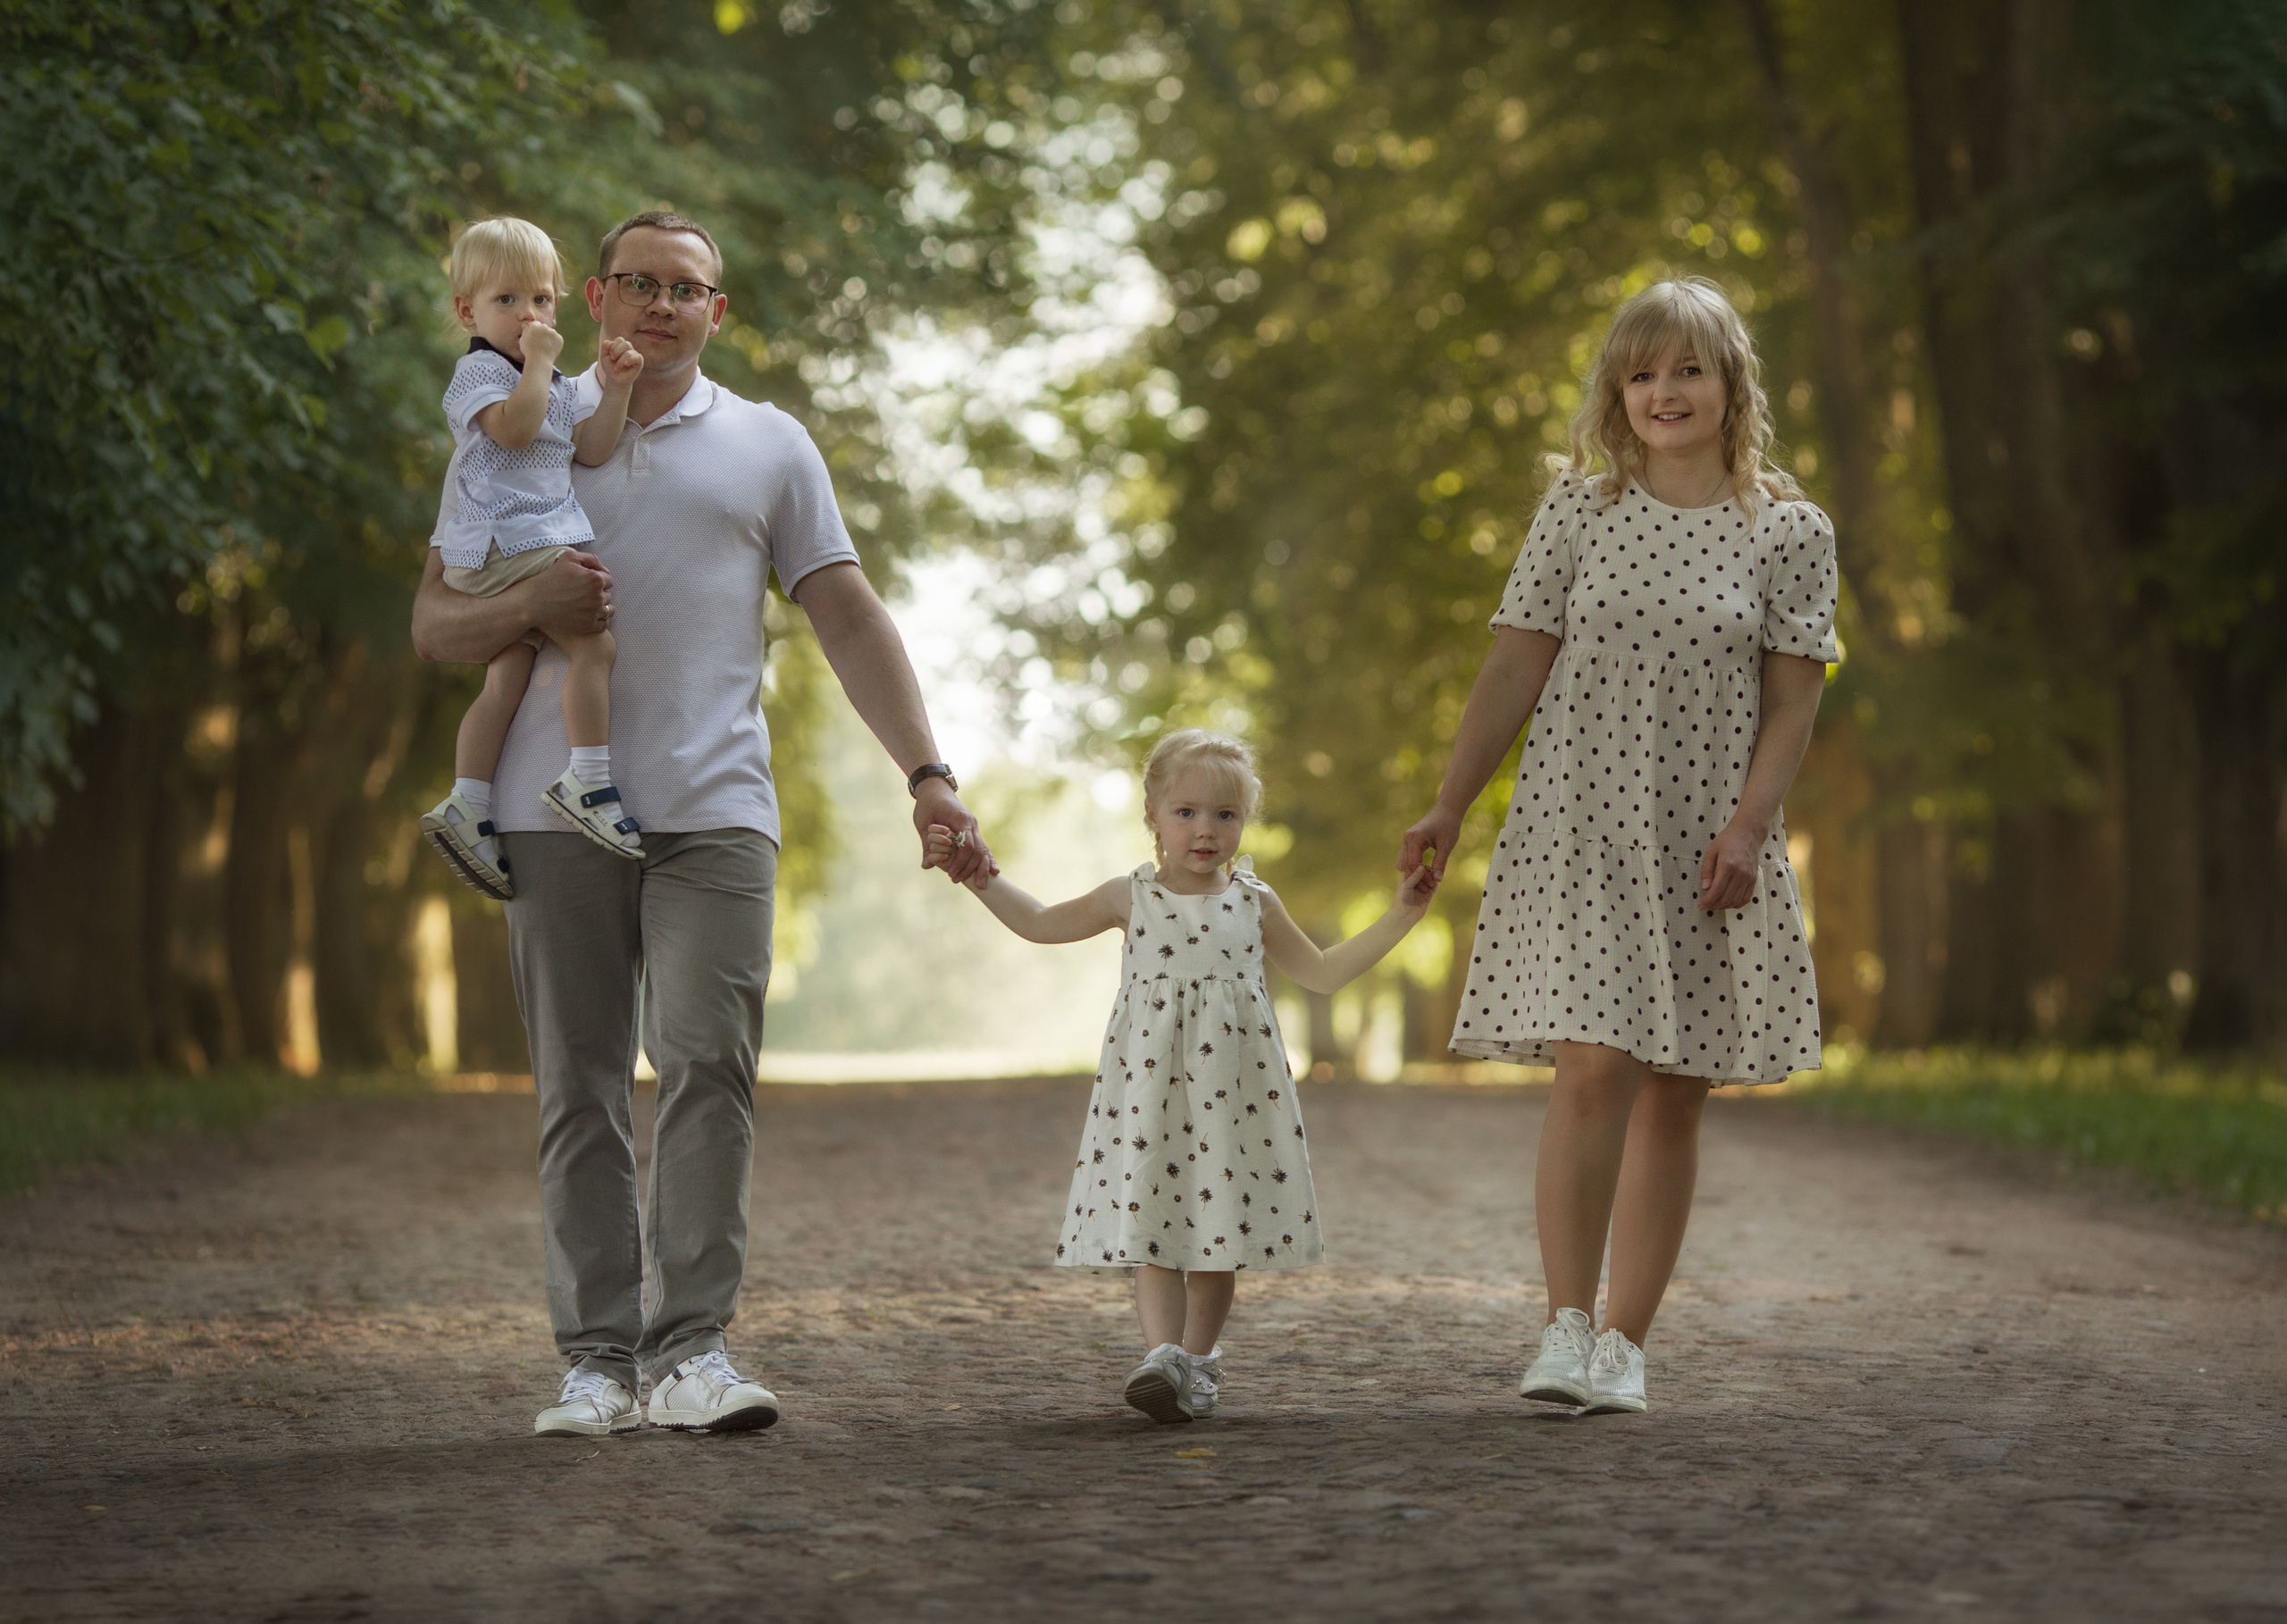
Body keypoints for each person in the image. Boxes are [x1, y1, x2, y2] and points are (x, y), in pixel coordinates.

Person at [411, 209, 994, 1439]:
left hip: (717, 808)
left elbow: (848, 615)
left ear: (715, 313)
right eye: (638, 282)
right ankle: (594, 1360)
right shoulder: (521, 422)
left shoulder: (770, 447)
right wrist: (535, 592)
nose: (661, 304)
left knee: (706, 1068)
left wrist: (928, 774)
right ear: (595, 295)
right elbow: (435, 626)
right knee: (577, 1084)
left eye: (688, 289)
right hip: (552, 804)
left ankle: (692, 1352)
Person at [1399, 276, 1838, 1416]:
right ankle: (1562, 1326)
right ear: (1615, 391)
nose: (1663, 391)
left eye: (1686, 368)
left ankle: (1625, 1347)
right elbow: (1514, 662)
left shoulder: (1787, 531)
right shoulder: (1579, 511)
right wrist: (1449, 804)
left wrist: (1749, 828)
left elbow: (1793, 702)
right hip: (1579, 820)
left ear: (1729, 382)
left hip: (1708, 838)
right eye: (1640, 372)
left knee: (1675, 1090)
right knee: (1594, 1067)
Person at [925, 729, 1436, 1422]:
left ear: (1243, 824)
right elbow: (1041, 923)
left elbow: (1321, 972)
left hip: (1231, 1095)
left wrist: (1404, 912)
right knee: (1152, 1224)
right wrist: (976, 874)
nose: (1206, 830)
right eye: (1187, 812)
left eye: (1225, 815)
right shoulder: (1128, 897)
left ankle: (1197, 1360)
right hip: (1151, 1094)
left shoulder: (1255, 902)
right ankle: (1161, 1358)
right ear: (1153, 816)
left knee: (1216, 1233)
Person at [419, 217, 651, 898]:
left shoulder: (546, 380)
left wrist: (615, 387)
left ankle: (468, 801)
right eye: (508, 301)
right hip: (501, 541)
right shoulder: (481, 373)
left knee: (510, 670)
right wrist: (546, 361)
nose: (529, 315)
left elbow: (595, 448)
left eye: (543, 300)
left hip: (518, 542)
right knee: (595, 646)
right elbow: (517, 432)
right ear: (468, 311)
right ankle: (587, 778)